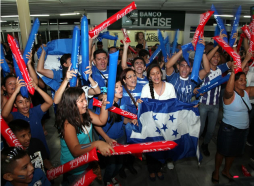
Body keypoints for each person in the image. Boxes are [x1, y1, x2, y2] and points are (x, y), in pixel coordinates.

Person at [55, 87, 114, 185]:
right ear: (71, 104)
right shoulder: (68, 124)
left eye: (85, 99)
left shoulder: (85, 113)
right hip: (74, 166)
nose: (85, 103)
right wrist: (97, 144)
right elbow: (75, 149)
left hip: (86, 160)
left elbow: (101, 121)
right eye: (81, 101)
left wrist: (104, 106)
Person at [212, 66, 254, 184]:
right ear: (233, 81)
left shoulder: (247, 92)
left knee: (233, 152)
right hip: (229, 129)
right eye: (240, 80)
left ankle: (226, 170)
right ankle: (216, 171)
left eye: (244, 79)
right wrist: (233, 73)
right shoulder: (229, 95)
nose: (244, 82)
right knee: (222, 151)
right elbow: (229, 90)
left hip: (243, 130)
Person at [94, 78, 135, 186]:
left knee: (120, 164)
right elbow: (97, 124)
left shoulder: (123, 101)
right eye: (116, 87)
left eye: (121, 86)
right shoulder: (104, 104)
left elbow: (122, 120)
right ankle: (107, 180)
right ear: (109, 90)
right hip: (108, 139)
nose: (120, 89)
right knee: (112, 165)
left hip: (121, 137)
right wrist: (106, 139)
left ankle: (112, 177)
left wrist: (130, 120)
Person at [139, 63, 176, 181]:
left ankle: (159, 168)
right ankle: (151, 170)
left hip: (166, 124)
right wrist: (139, 104)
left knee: (162, 148)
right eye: (152, 74)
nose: (156, 76)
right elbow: (143, 108)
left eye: (158, 73)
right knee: (152, 148)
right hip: (151, 125)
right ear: (149, 76)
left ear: (161, 73)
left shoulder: (170, 87)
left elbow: (174, 105)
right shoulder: (146, 88)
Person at [198, 37, 233, 156]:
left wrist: (231, 46)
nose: (216, 58)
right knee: (201, 129)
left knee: (211, 130)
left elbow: (233, 63)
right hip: (203, 104)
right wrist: (219, 45)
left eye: (218, 56)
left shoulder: (220, 68)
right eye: (214, 56)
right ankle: (195, 145)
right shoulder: (204, 69)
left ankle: (205, 145)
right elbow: (206, 58)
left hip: (215, 105)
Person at [1, 78, 53, 156]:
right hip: (26, 154)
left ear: (30, 102)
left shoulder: (35, 111)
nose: (25, 104)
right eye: (20, 102)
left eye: (27, 101)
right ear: (15, 105)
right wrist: (15, 92)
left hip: (42, 150)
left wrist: (37, 88)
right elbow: (4, 114)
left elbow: (49, 102)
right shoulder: (15, 117)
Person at [165, 37, 210, 103]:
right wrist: (184, 49)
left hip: (187, 111)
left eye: (187, 66)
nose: (184, 68)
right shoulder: (173, 77)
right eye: (182, 65)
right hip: (173, 111)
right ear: (178, 67)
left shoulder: (193, 79)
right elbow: (168, 65)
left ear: (191, 69)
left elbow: (207, 70)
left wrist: (203, 50)